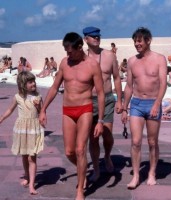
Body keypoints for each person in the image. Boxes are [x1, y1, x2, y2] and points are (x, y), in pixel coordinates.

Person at [39, 32, 105, 200]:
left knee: (80, 149)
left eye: (70, 51)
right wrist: (43, 109)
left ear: (79, 47)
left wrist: (101, 121)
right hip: (68, 110)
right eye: (66, 51)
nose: (68, 55)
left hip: (85, 109)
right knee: (69, 152)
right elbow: (54, 88)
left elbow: (101, 93)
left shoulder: (92, 65)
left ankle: (80, 191)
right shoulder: (64, 63)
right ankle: (82, 171)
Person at [121, 27, 167, 189]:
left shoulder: (160, 59)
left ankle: (152, 173)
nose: (137, 44)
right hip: (137, 104)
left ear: (148, 41)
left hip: (153, 103)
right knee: (135, 142)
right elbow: (128, 86)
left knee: (152, 142)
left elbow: (163, 83)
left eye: (139, 41)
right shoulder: (132, 61)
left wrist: (157, 104)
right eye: (135, 41)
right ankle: (136, 176)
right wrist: (125, 108)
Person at [83, 26, 123, 182]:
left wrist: (119, 100)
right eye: (92, 36)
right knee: (93, 138)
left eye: (98, 36)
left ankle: (106, 155)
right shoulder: (82, 57)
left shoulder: (109, 56)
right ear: (85, 39)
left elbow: (117, 78)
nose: (96, 38)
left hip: (106, 99)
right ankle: (96, 168)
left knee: (107, 135)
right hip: (88, 100)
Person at [0, 71, 44, 195]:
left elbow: (42, 112)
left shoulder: (38, 96)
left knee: (32, 157)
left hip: (34, 129)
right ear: (23, 85)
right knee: (24, 155)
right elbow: (10, 109)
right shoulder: (18, 97)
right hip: (22, 129)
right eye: (30, 82)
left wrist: (39, 109)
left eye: (33, 81)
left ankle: (31, 185)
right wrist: (2, 117)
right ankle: (27, 175)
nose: (33, 83)